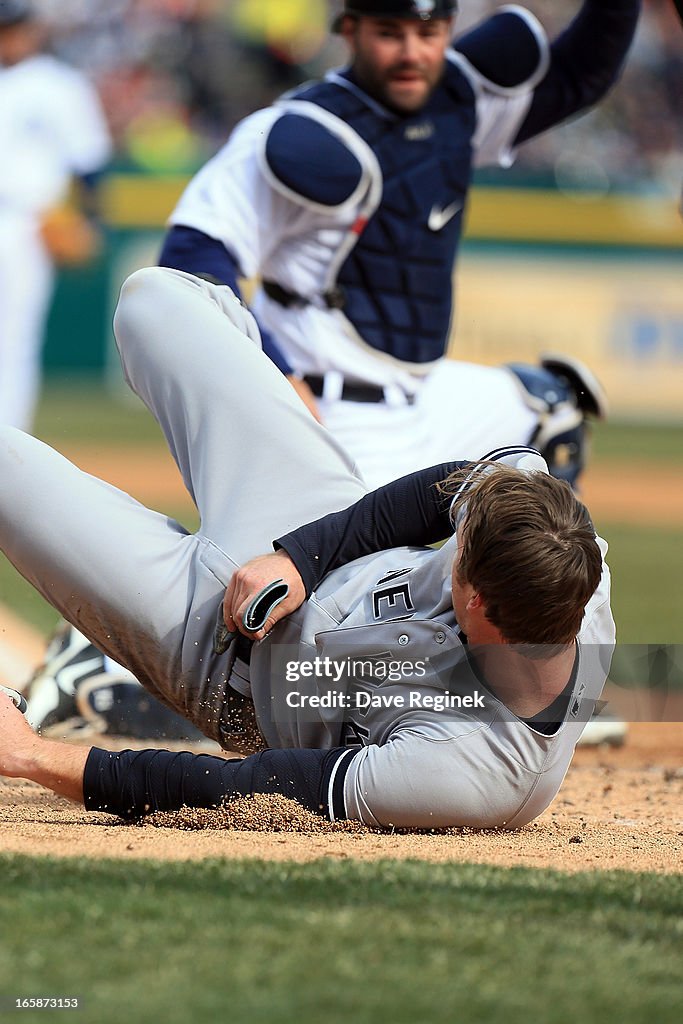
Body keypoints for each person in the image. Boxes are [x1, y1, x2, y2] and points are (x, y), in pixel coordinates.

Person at [0, 268, 615, 828]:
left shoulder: (467, 774)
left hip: (213, 656)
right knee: (153, 301)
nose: (453, 530)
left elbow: (243, 789)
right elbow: (446, 489)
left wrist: (32, 757)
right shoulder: (565, 549)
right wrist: (301, 555)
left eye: (462, 547)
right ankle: (279, 383)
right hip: (309, 516)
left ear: (476, 600)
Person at [159, 0, 637, 489]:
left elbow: (582, 75)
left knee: (551, 409)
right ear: (350, 28)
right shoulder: (303, 131)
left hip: (426, 395)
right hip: (332, 410)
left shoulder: (456, 101)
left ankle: (535, 566)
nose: (412, 52)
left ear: (450, 29)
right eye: (390, 32)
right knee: (355, 563)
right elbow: (191, 258)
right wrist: (277, 377)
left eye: (428, 33)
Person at [0, 0, 111, 433]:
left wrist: (91, 218)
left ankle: (8, 445)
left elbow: (89, 161)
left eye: (14, 27)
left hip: (26, 220)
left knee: (14, 338)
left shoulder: (59, 85)